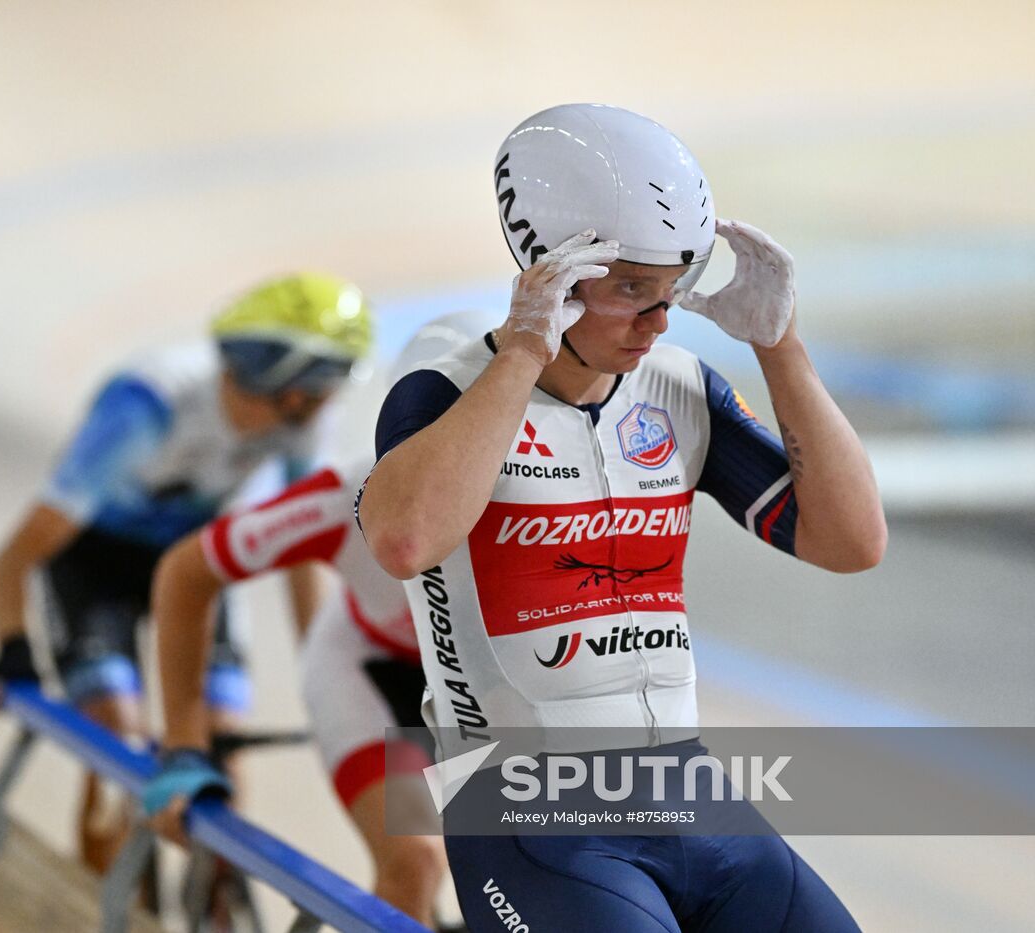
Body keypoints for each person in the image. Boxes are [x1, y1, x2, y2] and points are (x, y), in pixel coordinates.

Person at [357, 105, 886, 932]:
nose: (660, 321)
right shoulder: (445, 390)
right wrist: (525, 352)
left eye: (671, 290)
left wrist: (780, 348)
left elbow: (853, 542)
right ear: (550, 274)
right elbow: (402, 540)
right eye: (633, 289)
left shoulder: (679, 390)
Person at [0, 272, 373, 874]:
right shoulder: (146, 407)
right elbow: (16, 558)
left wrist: (320, 670)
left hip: (194, 566)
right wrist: (11, 645)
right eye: (322, 390)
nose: (327, 406)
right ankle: (104, 889)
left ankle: (216, 890)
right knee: (118, 740)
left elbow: (305, 549)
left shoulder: (301, 419)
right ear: (287, 385)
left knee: (223, 750)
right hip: (96, 564)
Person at [142, 311, 497, 927]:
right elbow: (186, 573)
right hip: (366, 672)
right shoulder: (348, 495)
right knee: (414, 864)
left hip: (479, 693)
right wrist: (182, 745)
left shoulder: (570, 495)